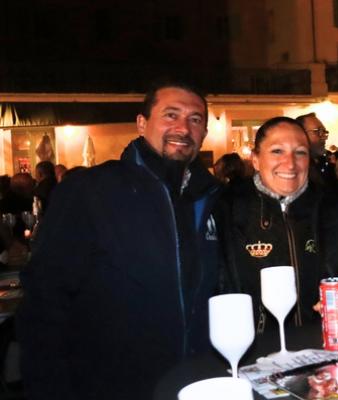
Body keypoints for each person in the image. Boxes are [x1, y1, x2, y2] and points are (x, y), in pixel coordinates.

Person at [17, 80, 222, 400]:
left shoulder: (211, 198)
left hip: (196, 383)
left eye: (195, 119)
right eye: (171, 115)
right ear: (141, 123)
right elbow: (44, 299)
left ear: (204, 133)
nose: (183, 128)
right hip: (113, 386)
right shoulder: (91, 190)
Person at [218, 116, 338, 331]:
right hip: (256, 345)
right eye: (277, 151)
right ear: (256, 159)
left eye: (300, 152)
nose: (290, 163)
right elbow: (222, 286)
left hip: (321, 340)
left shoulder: (330, 207)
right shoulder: (229, 210)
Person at [296, 112, 337, 187]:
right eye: (318, 131)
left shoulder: (323, 164)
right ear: (300, 134)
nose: (324, 137)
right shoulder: (293, 170)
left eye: (324, 132)